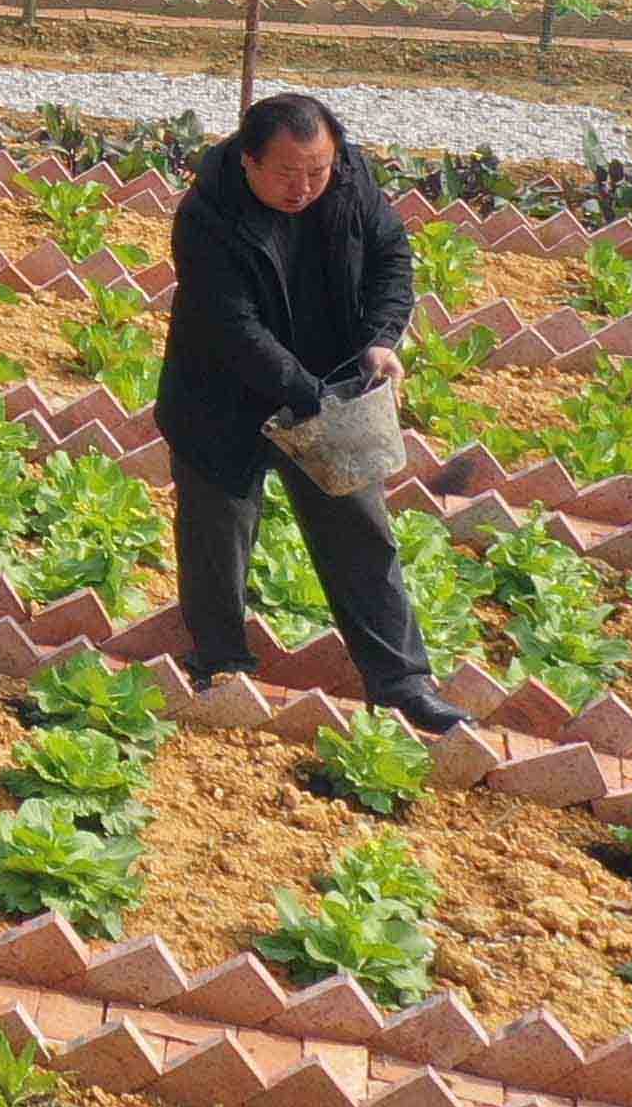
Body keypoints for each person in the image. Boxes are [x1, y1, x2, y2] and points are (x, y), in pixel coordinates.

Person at [160, 93, 465, 731]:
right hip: (222, 394)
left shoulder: (352, 182)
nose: (304, 187)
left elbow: (391, 260)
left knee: (360, 533)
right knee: (218, 534)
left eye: (317, 171)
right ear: (247, 161)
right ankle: (221, 662)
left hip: (327, 385)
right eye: (287, 174)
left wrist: (382, 338)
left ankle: (402, 683)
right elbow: (233, 328)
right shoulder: (206, 216)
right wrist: (312, 395)